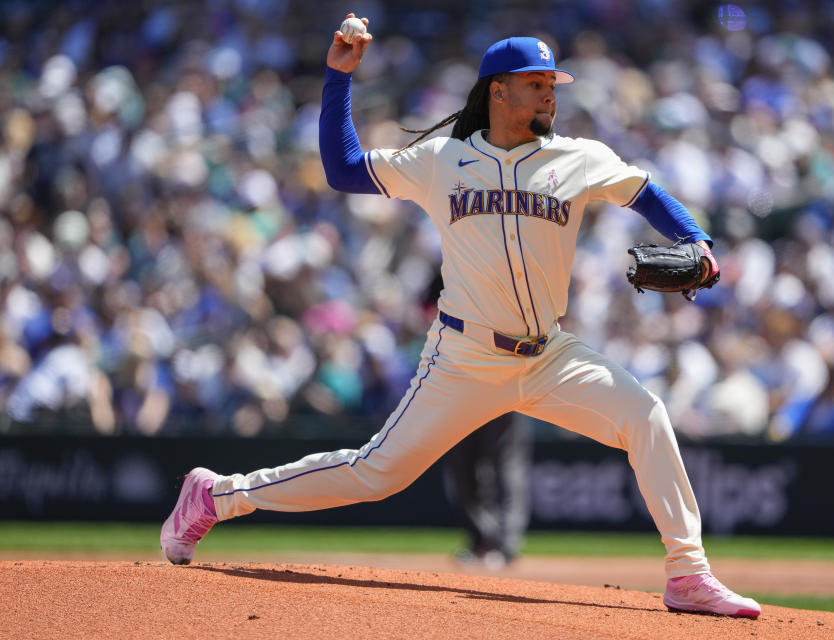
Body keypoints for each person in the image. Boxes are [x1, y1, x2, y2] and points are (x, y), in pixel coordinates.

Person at [161, 15, 761, 619]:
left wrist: (698, 240)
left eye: (554, 83)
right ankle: (216, 495)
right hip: (464, 357)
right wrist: (339, 76)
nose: (551, 92)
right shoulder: (442, 160)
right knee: (375, 474)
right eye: (537, 83)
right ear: (498, 90)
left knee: (647, 415)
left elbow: (646, 191)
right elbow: (343, 169)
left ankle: (688, 574)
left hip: (549, 354)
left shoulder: (579, 158)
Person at [444, 412, 531, 569]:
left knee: (506, 468)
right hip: (461, 401)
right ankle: (480, 541)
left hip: (503, 397)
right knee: (461, 471)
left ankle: (505, 546)